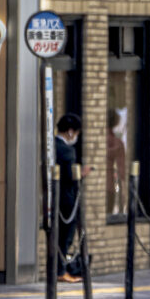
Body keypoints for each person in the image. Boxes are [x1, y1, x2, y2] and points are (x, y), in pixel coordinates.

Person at [54, 113, 85, 283]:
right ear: (71, 132)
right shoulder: (67, 151)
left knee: (58, 236)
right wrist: (81, 174)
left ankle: (59, 269)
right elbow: (70, 176)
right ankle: (60, 271)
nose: (77, 137)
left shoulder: (53, 146)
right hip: (67, 200)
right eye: (77, 133)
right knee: (66, 236)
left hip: (55, 198)